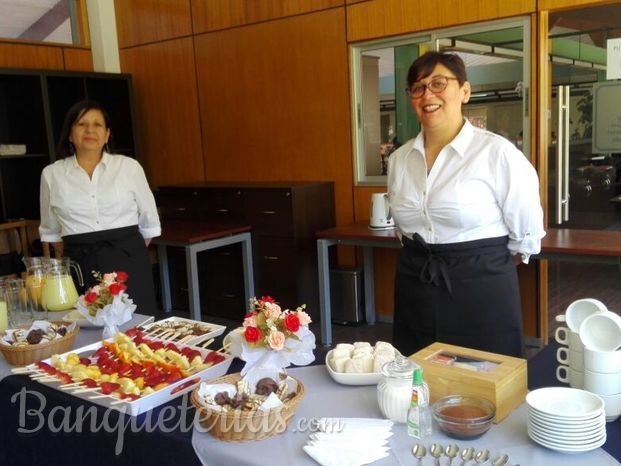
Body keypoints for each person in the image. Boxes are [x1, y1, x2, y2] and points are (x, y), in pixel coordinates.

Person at [387, 52, 545, 358]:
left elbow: (526, 235)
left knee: (483, 383)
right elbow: (404, 229)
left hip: (481, 288)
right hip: (415, 284)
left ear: (465, 91)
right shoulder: (399, 160)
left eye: (438, 83)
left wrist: (477, 262)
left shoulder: (497, 153)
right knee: (417, 378)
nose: (427, 95)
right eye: (417, 88)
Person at [39, 100, 161, 314]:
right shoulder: (52, 174)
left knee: (136, 326)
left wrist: (125, 251)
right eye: (81, 124)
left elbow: (149, 223)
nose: (90, 130)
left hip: (128, 259)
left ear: (107, 135)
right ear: (70, 134)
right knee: (89, 327)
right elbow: (52, 231)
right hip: (80, 261)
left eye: (97, 125)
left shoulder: (128, 167)